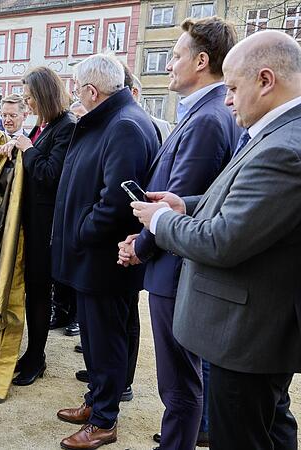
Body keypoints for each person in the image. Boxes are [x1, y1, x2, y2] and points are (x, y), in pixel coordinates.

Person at [131, 30, 301, 450]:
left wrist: (160, 222)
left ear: (265, 80)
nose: (227, 100)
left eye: (232, 88)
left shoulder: (284, 146)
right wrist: (184, 204)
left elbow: (223, 239)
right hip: (255, 331)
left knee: (242, 435)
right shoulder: (277, 132)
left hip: (245, 335)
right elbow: (233, 196)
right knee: (271, 429)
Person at [118, 17, 240, 450]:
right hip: (172, 260)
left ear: (202, 61)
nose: (168, 65)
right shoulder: (205, 113)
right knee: (182, 381)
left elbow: (183, 199)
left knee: (179, 384)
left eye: (175, 56)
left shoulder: (208, 119)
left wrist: (140, 247)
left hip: (176, 267)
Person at [52, 54, 158, 450]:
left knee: (105, 339)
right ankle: (96, 400)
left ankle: (103, 421)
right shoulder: (114, 119)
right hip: (97, 258)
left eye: (77, 90)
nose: (76, 96)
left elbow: (116, 201)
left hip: (101, 259)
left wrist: (80, 233)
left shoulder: (124, 125)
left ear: (92, 91)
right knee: (101, 338)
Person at [0, 67, 76, 387]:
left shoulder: (65, 127)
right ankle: (33, 354)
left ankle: (37, 357)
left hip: (47, 229)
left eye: (29, 98)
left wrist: (26, 147)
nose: (26, 105)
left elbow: (48, 175)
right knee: (33, 292)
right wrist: (19, 144)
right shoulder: (47, 125)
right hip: (35, 223)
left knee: (40, 293)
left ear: (44, 95)